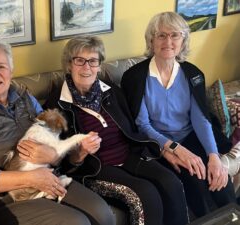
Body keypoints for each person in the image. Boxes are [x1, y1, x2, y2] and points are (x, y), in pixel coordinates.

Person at [0, 34, 116, 225]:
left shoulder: (25, 97)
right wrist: (28, 178)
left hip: (49, 176)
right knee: (76, 222)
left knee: (103, 214)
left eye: (1, 67)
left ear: (10, 70)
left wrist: (53, 155)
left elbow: (55, 142)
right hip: (7, 197)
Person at [44, 35, 189, 225]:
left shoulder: (111, 91)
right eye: (79, 60)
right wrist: (80, 153)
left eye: (93, 61)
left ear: (99, 65)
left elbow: (135, 128)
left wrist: (164, 149)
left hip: (129, 156)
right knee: (146, 193)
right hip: (95, 169)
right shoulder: (56, 106)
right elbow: (58, 164)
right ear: (69, 64)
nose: (87, 67)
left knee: (171, 182)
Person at [121, 11, 237, 219]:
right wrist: (175, 149)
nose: (168, 41)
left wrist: (213, 156)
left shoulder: (193, 74)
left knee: (220, 180)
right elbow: (143, 126)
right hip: (157, 144)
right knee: (195, 182)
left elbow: (200, 119)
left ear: (183, 40)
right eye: (161, 35)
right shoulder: (134, 78)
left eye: (175, 35)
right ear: (151, 40)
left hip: (190, 136)